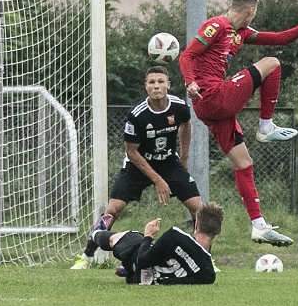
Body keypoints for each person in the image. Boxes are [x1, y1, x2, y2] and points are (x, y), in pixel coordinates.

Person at [180, 0, 298, 247]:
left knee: (243, 164)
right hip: (212, 96)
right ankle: (266, 126)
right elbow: (186, 55)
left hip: (214, 109)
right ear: (250, 10)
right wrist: (190, 81)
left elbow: (280, 38)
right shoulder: (217, 25)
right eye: (254, 13)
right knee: (272, 63)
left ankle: (259, 226)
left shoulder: (242, 33)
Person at [71, 66, 201, 270]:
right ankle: (86, 257)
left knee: (199, 210)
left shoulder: (179, 106)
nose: (156, 86)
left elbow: (186, 125)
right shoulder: (137, 114)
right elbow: (131, 151)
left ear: (168, 84)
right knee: (112, 210)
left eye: (160, 81)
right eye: (152, 82)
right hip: (137, 166)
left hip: (169, 163)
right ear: (146, 86)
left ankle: (203, 257)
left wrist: (183, 158)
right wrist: (157, 180)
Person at [88, 201, 223, 285]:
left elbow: (142, 261)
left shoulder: (175, 235)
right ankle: (127, 270)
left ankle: (96, 232)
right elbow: (173, 280)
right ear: (219, 230)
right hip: (140, 278)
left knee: (121, 238)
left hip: (136, 260)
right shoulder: (208, 274)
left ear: (197, 225)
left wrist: (148, 236)